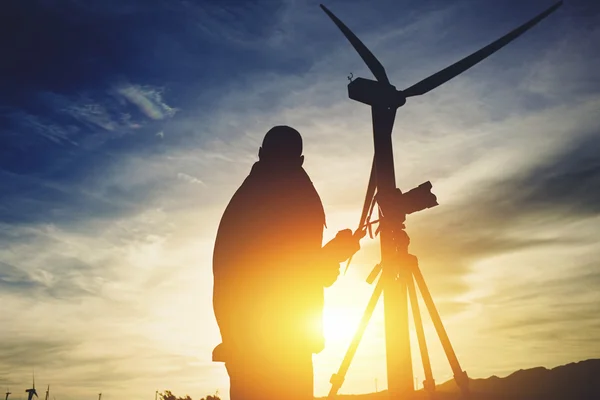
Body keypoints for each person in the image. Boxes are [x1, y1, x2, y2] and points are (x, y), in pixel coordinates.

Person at [212, 125, 361, 400]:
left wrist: (329, 255)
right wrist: (335, 253)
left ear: (260, 153)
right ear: (301, 160)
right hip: (278, 347)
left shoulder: (248, 196)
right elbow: (290, 273)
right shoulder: (290, 196)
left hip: (249, 342)